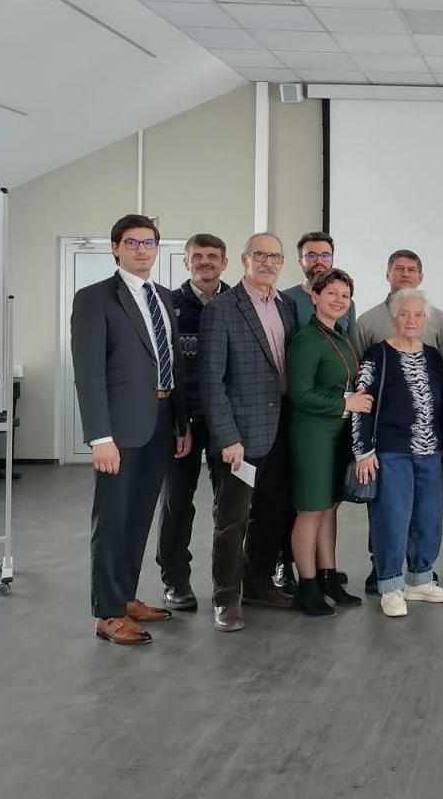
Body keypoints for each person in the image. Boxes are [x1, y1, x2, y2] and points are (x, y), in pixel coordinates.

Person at [71, 214, 191, 645]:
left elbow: (172, 362)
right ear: (116, 249)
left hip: (161, 420)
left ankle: (125, 597)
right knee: (113, 519)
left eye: (149, 243)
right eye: (132, 243)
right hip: (120, 430)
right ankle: (107, 612)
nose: (142, 250)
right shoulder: (95, 298)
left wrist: (180, 423)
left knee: (139, 517)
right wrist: (100, 437)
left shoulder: (163, 297)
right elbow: (88, 373)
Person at [199, 232, 299, 632]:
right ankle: (225, 598)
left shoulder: (286, 306)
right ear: (244, 259)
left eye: (275, 256)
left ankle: (258, 585)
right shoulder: (222, 309)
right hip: (240, 438)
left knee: (271, 516)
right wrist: (227, 437)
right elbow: (211, 380)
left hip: (279, 434)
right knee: (232, 521)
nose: (268, 262)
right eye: (260, 254)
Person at [354, 248, 443, 594]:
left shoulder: (432, 356)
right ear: (394, 317)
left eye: (418, 315)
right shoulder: (377, 354)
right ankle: (389, 584)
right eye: (404, 314)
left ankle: (421, 579)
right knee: (392, 518)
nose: (411, 320)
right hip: (391, 451)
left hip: (429, 453)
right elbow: (362, 405)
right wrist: (363, 451)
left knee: (428, 517)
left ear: (425, 320)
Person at [285, 269, 370, 617]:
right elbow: (300, 394)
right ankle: (307, 587)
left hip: (338, 433)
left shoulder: (342, 336)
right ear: (315, 297)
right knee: (311, 509)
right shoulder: (307, 340)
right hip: (313, 434)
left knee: (329, 508)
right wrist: (346, 403)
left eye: (345, 296)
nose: (339, 300)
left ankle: (328, 577)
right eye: (332, 293)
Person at [156, 233, 230, 612]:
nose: (205, 262)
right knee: (177, 503)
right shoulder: (168, 305)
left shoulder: (237, 304)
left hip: (227, 423)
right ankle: (175, 580)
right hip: (181, 423)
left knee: (229, 506)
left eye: (212, 256)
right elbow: (162, 369)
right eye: (197, 256)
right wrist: (178, 421)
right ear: (186, 262)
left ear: (224, 263)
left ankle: (228, 585)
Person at [354, 249, 443, 365]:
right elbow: (358, 367)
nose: (405, 274)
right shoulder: (366, 322)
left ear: (420, 278)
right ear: (387, 275)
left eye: (412, 270)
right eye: (399, 269)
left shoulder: (441, 321)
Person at [281, 231, 357, 336]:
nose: (319, 261)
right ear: (301, 262)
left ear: (332, 261)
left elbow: (351, 344)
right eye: (311, 256)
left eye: (325, 256)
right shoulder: (284, 299)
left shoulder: (345, 303)